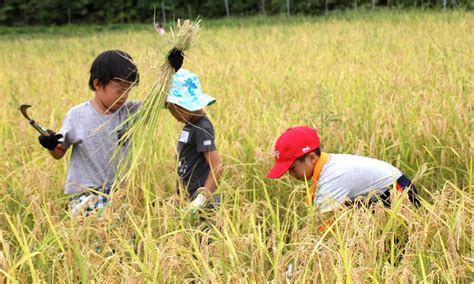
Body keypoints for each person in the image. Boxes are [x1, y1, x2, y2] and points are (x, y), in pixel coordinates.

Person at [38, 49, 184, 216]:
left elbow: (161, 100)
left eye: (128, 90)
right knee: (104, 226)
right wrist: (50, 144)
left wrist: (172, 72)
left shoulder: (130, 112)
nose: (124, 96)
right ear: (97, 84)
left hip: (120, 193)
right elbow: (59, 151)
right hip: (86, 196)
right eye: (119, 90)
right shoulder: (77, 116)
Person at [267, 126, 420, 213]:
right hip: (376, 198)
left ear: (312, 158)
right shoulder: (325, 168)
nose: (290, 174)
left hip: (399, 195)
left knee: (394, 254)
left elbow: (323, 230)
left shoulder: (333, 176)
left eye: (292, 168)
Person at [166, 69, 223, 211]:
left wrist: (202, 199)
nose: (174, 116)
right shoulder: (190, 124)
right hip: (186, 197)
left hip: (200, 203)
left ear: (184, 106)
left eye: (174, 111)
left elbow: (217, 167)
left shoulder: (201, 127)